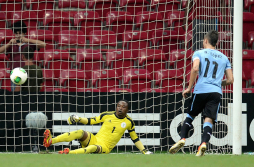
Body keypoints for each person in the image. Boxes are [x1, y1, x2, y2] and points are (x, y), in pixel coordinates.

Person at [169, 30, 233, 156]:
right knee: (209, 119)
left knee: (191, 115)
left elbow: (195, 68)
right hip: (216, 92)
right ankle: (203, 144)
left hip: (201, 89)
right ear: (216, 42)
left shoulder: (198, 53)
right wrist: (218, 83)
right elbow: (231, 80)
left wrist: (189, 87)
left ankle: (182, 138)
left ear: (205, 41)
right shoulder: (225, 58)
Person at [43, 100, 153, 154]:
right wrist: (78, 118)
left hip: (105, 147)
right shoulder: (107, 115)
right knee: (80, 132)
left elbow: (135, 138)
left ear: (127, 110)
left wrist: (144, 151)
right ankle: (51, 141)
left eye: (123, 107)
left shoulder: (129, 122)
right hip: (95, 139)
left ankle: (68, 153)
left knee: (92, 148)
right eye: (119, 106)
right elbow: (91, 120)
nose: (120, 108)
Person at [0, 21, 46, 91]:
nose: (18, 35)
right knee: (16, 96)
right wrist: (9, 44)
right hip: (15, 74)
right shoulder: (11, 45)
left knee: (29, 94)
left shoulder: (29, 43)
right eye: (16, 33)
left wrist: (27, 40)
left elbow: (43, 44)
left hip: (28, 73)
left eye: (20, 33)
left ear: (24, 33)